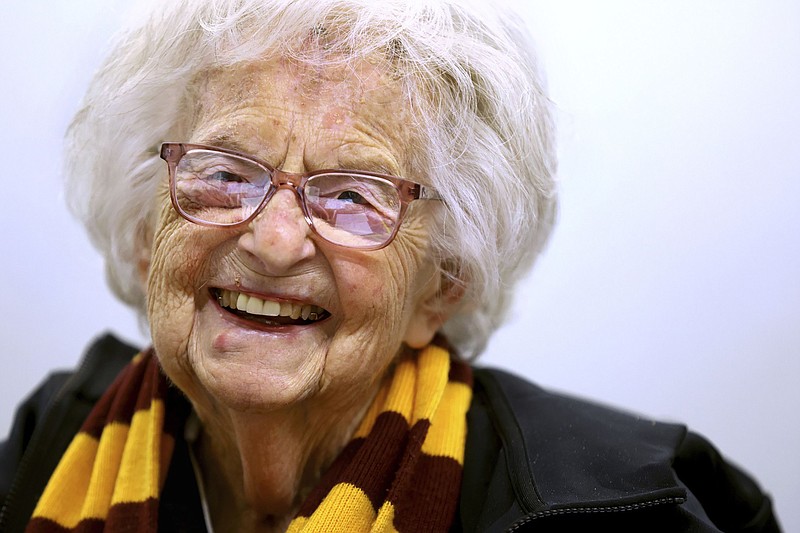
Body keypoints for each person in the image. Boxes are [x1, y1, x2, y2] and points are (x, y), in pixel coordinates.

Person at [0, 0, 782, 531]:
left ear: (441, 284)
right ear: (147, 229)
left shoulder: (612, 511)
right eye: (227, 172)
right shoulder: (51, 446)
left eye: (351, 195)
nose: (275, 241)